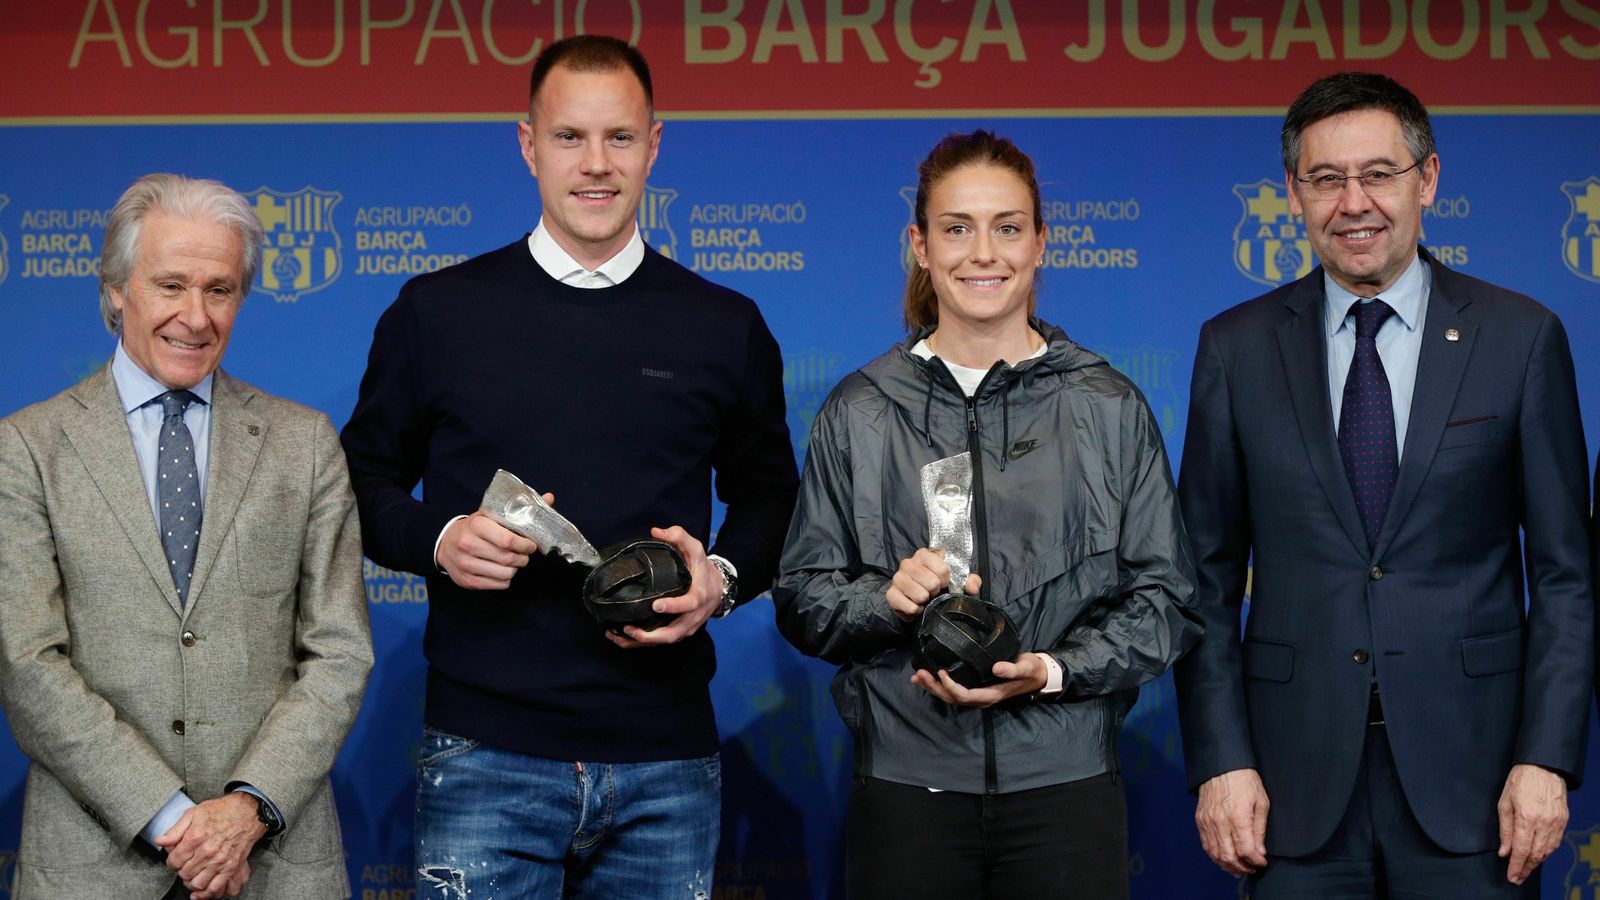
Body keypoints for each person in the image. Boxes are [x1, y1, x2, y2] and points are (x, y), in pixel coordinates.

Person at [339, 34, 798, 899]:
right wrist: (439, 539)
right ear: (527, 144)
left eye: (620, 138)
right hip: (485, 755)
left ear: (655, 144)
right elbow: (356, 485)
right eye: (569, 138)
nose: (596, 165)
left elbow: (772, 494)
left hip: (666, 757)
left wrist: (723, 580)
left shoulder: (724, 325)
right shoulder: (436, 313)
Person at [1175, 72, 1593, 898]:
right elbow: (1205, 583)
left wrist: (1545, 757)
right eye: (1327, 179)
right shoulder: (1236, 348)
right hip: (1290, 790)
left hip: (1477, 788)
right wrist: (1222, 761)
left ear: (1427, 179)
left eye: (1379, 173)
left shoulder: (1521, 337)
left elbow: (1565, 576)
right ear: (1293, 193)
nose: (1354, 202)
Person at [772, 130, 1201, 899]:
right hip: (907, 791)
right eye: (956, 228)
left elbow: (1165, 601)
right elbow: (803, 599)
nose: (984, 253)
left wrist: (1050, 671)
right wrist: (887, 602)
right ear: (921, 245)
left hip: (1066, 789)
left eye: (1008, 227)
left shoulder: (1108, 407)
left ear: (1042, 243)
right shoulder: (859, 410)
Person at [0, 173, 374, 900]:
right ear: (116, 291)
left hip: (272, 861)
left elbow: (340, 651)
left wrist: (244, 810)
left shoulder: (304, 444)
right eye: (170, 285)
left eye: (220, 289)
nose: (195, 317)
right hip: (91, 863)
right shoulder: (28, 448)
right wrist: (174, 819)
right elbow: (26, 661)